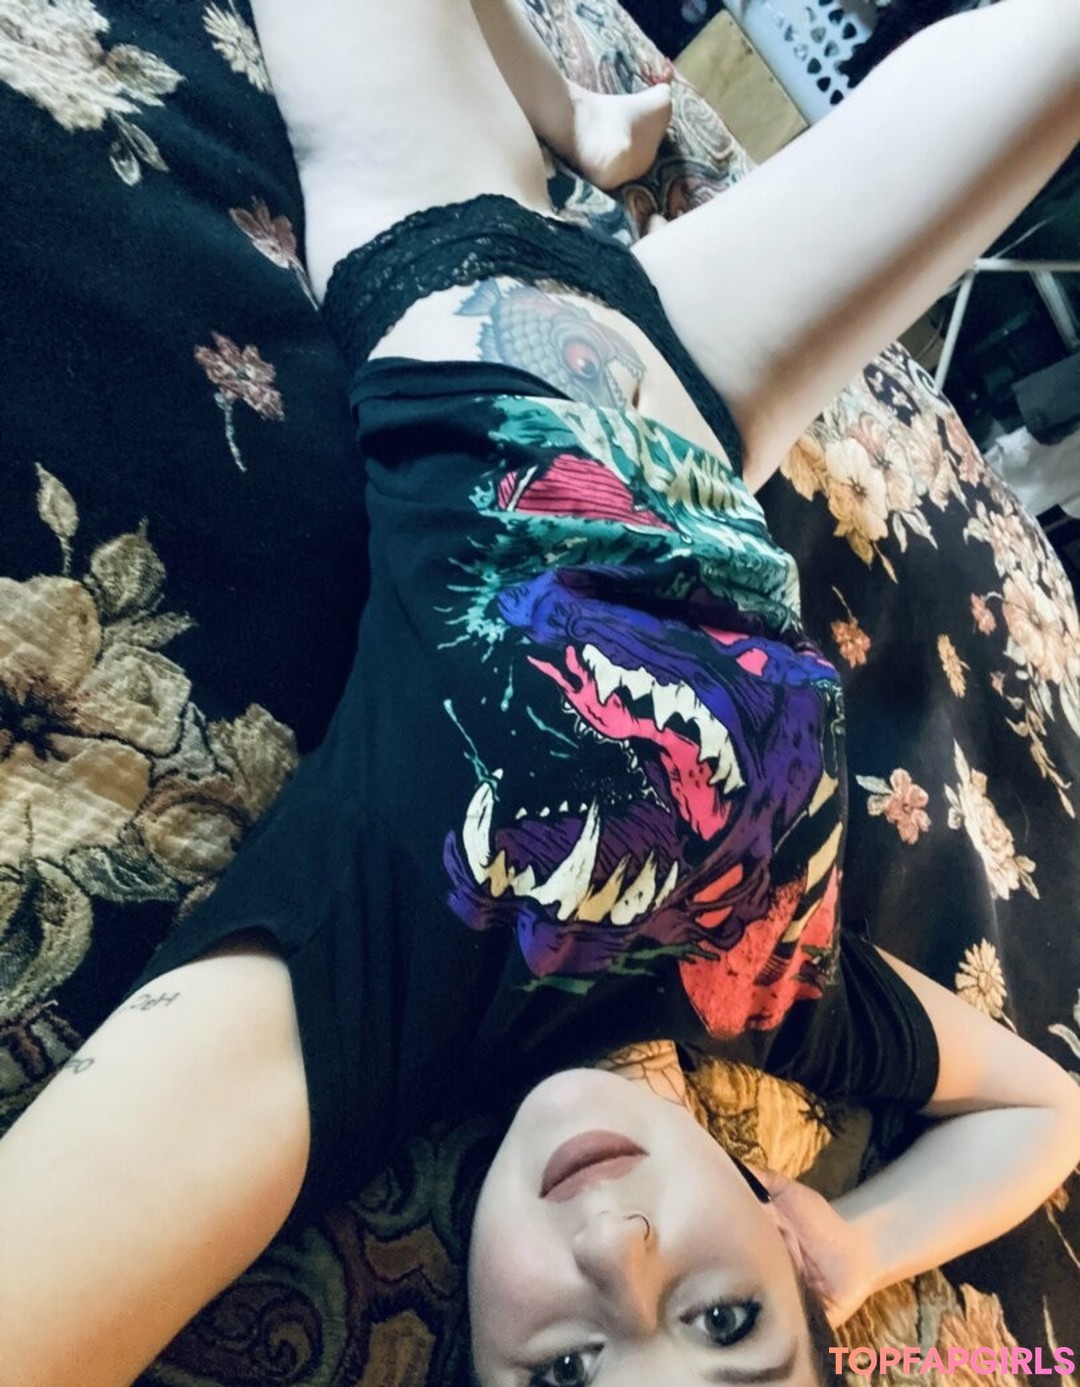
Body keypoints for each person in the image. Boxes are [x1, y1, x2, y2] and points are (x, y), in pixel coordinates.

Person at [2, 2, 1079, 1385]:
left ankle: (557, 111)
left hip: (449, 245)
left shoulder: (370, 1017)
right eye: (726, 1323)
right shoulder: (769, 993)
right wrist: (856, 1247)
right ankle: (573, 115)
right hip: (709, 398)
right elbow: (1045, 1113)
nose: (621, 1255)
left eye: (567, 1373)